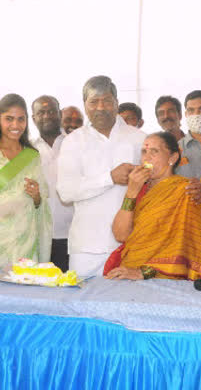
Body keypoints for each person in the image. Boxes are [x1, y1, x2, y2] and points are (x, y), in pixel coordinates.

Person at [57, 76, 147, 277]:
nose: (100, 107)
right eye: (93, 102)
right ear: (85, 105)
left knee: (128, 305)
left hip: (131, 245)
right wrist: (109, 178)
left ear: (116, 103)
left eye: (106, 100)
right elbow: (65, 191)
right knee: (82, 306)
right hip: (86, 249)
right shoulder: (73, 142)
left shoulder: (139, 139)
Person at [104, 132, 201, 280]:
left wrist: (144, 272)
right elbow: (121, 235)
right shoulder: (138, 190)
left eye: (154, 151)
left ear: (172, 158)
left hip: (164, 278)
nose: (147, 158)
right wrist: (131, 192)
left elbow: (184, 247)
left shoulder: (185, 191)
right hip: (129, 269)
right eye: (144, 152)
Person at [0, 94, 51, 268]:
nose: (15, 125)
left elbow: (41, 202)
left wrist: (37, 196)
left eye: (20, 119)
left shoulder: (32, 156)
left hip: (27, 242)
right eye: (9, 119)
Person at [31, 95, 73, 271]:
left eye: (51, 111)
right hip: (39, 236)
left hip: (73, 236)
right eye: (41, 112)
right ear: (33, 119)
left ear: (60, 114)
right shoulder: (28, 149)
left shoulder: (75, 144)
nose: (47, 116)